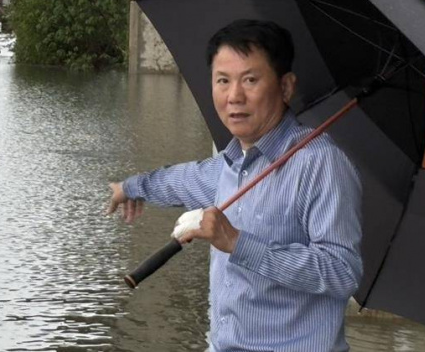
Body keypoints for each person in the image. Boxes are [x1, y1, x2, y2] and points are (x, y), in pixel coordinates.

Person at [107, 19, 363, 352]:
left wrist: (237, 242)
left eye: (250, 80)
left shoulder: (320, 164)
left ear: (286, 87)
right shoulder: (230, 165)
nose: (234, 96)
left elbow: (341, 272)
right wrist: (130, 188)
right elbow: (180, 181)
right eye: (223, 81)